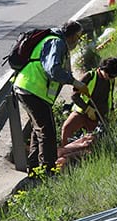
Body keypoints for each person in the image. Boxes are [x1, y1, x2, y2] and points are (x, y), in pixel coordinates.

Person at [13, 20, 90, 177]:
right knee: (47, 131)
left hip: (30, 89)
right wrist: (75, 82)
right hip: (31, 89)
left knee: (38, 130)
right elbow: (53, 70)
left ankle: (35, 171)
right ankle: (48, 172)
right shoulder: (56, 42)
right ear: (72, 35)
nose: (78, 40)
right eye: (78, 37)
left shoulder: (56, 41)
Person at [60, 57, 117, 147]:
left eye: (114, 76)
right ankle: (63, 153)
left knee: (92, 143)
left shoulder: (111, 81)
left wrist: (111, 112)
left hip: (99, 117)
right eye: (110, 76)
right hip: (82, 113)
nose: (111, 78)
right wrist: (88, 109)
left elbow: (110, 97)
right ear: (103, 69)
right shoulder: (90, 76)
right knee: (66, 129)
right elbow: (74, 96)